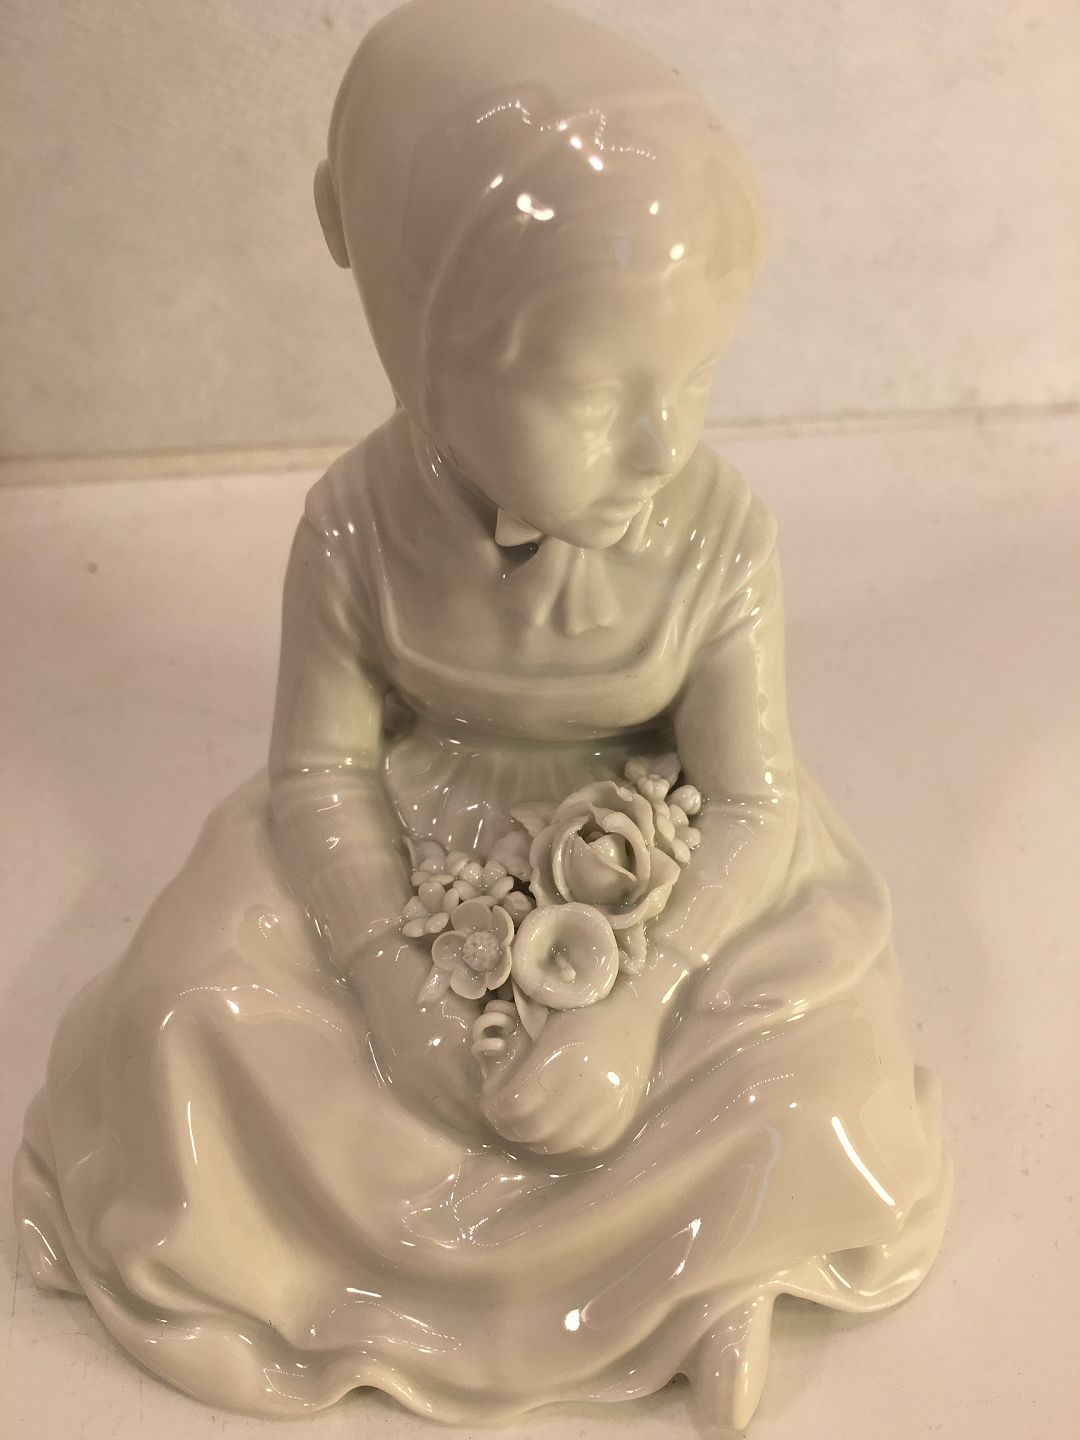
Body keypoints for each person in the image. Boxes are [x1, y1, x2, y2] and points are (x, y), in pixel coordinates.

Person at [15, 0, 949, 1427]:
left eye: (694, 375)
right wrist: (395, 984)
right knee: (187, 1022)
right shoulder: (353, 527)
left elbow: (752, 797)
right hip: (407, 849)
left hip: (662, 859)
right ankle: (336, 1271)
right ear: (419, 347)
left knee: (807, 1076)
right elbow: (319, 773)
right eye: (592, 394)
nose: (661, 442)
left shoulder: (720, 537)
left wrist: (638, 1004)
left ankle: (711, 1275)